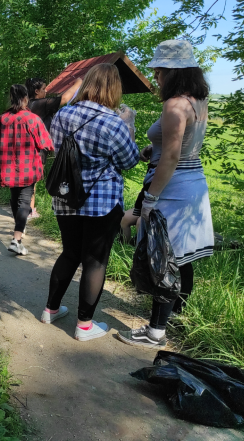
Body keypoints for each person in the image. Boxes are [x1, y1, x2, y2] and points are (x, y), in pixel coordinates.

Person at [118, 40, 214, 349]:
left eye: (160, 72)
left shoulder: (174, 106)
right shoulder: (196, 101)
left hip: (172, 188)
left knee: (163, 257)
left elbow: (172, 158)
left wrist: (150, 199)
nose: (156, 78)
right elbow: (179, 146)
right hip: (193, 182)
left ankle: (155, 332)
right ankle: (175, 313)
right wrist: (152, 149)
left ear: (174, 73)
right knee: (182, 257)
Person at [41, 63, 139, 341]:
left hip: (66, 196)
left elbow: (56, 148)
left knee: (70, 252)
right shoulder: (113, 122)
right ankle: (84, 326)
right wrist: (129, 125)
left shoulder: (62, 114)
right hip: (101, 202)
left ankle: (51, 309)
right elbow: (130, 160)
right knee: (95, 261)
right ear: (114, 89)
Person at [0, 84, 53, 255]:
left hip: (9, 169)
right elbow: (46, 144)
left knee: (15, 200)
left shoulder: (2, 119)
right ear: (26, 98)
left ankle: (19, 227)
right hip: (29, 169)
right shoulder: (33, 119)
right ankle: (16, 239)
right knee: (25, 202)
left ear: (11, 98)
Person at [25, 77, 82, 218]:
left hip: (31, 148)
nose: (46, 91)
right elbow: (62, 99)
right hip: (35, 150)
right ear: (37, 91)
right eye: (43, 89)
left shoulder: (31, 104)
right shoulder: (38, 104)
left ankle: (29, 209)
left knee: (32, 181)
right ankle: (27, 211)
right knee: (31, 181)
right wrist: (78, 83)